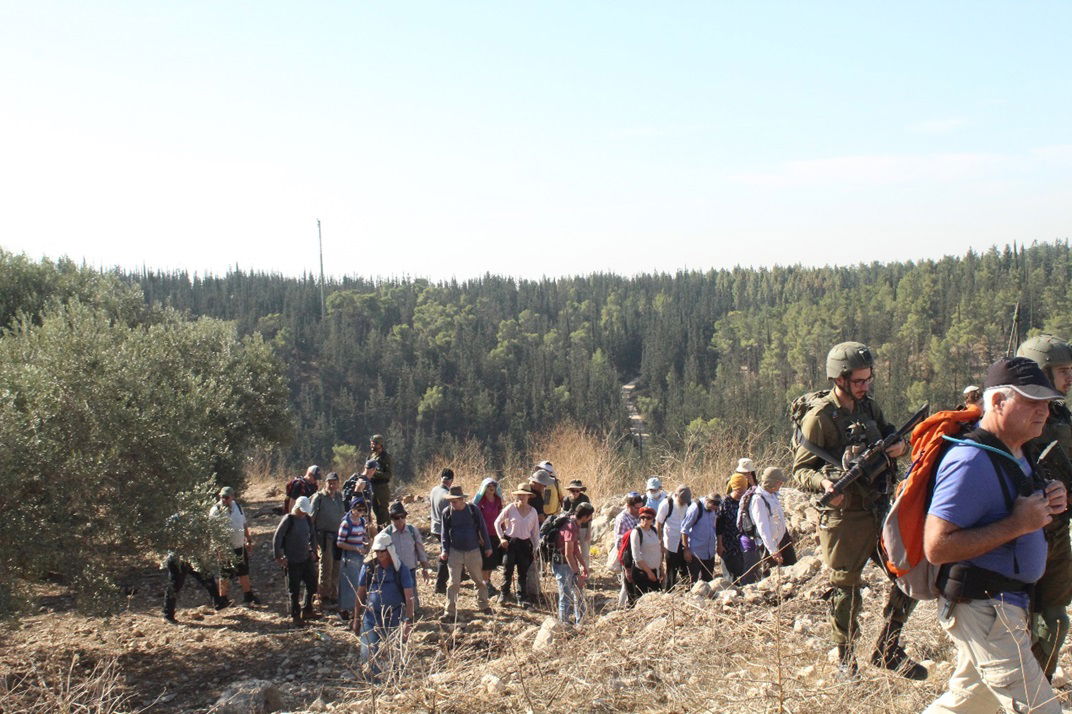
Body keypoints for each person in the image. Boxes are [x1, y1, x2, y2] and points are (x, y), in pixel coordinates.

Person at [922, 357, 1067, 714]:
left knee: (966, 705)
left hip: (1005, 607)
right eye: (1032, 402)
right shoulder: (969, 460)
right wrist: (1018, 524)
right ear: (999, 402)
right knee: (1042, 710)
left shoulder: (1018, 452)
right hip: (985, 608)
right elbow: (936, 547)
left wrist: (1050, 497)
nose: (1043, 412)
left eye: (1047, 403)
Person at [792, 341, 924, 680]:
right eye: (859, 381)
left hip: (879, 508)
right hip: (844, 516)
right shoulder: (820, 417)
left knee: (909, 575)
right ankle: (845, 661)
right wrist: (824, 485)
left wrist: (899, 447)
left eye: (868, 379)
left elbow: (894, 437)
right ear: (840, 379)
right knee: (845, 589)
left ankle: (888, 647)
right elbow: (800, 470)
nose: (866, 386)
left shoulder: (869, 408)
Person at [1017, 334, 1072, 679]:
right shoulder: (1010, 421)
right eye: (1063, 370)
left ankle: (1039, 694)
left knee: (1055, 620)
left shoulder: (1060, 415)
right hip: (1021, 538)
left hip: (1058, 534)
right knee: (1015, 627)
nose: (1069, 378)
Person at [356, 531, 415, 679]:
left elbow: (409, 597)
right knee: (367, 651)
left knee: (396, 651)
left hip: (394, 616)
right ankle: (372, 682)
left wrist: (408, 620)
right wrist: (356, 618)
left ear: (389, 550)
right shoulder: (369, 568)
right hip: (371, 616)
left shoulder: (401, 569)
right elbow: (361, 592)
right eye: (377, 551)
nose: (379, 554)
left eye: (382, 551)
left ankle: (396, 680)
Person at [439, 485, 493, 621]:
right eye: (450, 501)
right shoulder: (447, 512)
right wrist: (444, 550)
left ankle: (484, 605)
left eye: (454, 501)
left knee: (479, 580)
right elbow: (444, 533)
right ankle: (449, 611)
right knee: (453, 583)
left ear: (462, 499)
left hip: (473, 550)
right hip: (455, 551)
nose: (452, 504)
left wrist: (488, 546)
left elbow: (482, 528)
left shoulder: (473, 510)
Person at [209, 486, 259, 607]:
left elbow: (243, 524)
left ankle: (248, 596)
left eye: (226, 497)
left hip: (239, 546)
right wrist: (219, 549)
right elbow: (213, 531)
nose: (224, 499)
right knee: (224, 574)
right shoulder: (215, 510)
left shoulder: (238, 507)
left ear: (232, 497)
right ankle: (223, 599)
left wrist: (248, 539)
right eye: (222, 497)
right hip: (225, 548)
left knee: (243, 571)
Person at [273, 496, 319, 626]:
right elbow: (277, 537)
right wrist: (279, 556)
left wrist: (314, 551)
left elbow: (312, 535)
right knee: (294, 590)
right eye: (302, 510)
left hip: (306, 557)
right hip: (292, 560)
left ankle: (307, 609)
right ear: (297, 507)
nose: (304, 513)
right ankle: (295, 615)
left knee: (312, 584)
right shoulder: (289, 519)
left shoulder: (308, 519)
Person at [494, 484, 540, 607]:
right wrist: (501, 538)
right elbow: (497, 522)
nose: (521, 497)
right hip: (510, 543)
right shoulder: (511, 508)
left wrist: (536, 548)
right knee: (507, 568)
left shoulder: (533, 512)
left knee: (523, 571)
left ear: (529, 496)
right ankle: (504, 594)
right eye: (519, 494)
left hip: (525, 544)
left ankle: (521, 596)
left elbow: (535, 532)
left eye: (524, 495)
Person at [550, 502, 594, 625]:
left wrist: (584, 566)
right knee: (566, 596)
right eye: (590, 516)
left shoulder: (575, 524)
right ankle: (563, 625)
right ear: (585, 516)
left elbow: (575, 549)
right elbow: (568, 554)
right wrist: (577, 574)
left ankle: (580, 622)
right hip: (562, 565)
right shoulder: (570, 527)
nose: (590, 518)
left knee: (579, 592)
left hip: (569, 564)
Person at [384, 501, 431, 612]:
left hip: (410, 569)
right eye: (396, 517)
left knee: (412, 598)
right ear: (391, 518)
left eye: (402, 516)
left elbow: (420, 550)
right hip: (394, 570)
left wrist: (425, 567)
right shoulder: (386, 533)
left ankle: (412, 614)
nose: (400, 520)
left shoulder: (412, 530)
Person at [750, 467, 795, 574]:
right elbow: (763, 527)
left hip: (782, 539)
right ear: (772, 483)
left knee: (792, 568)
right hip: (770, 544)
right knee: (771, 575)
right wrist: (773, 551)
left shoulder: (773, 495)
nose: (781, 485)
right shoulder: (758, 499)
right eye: (779, 482)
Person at [718, 474, 761, 585]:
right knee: (730, 578)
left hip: (743, 546)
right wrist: (719, 545)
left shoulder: (746, 501)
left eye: (743, 490)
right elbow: (719, 527)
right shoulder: (724, 504)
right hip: (728, 545)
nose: (741, 493)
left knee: (744, 574)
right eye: (739, 490)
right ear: (733, 487)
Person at [310, 473, 346, 607]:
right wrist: (312, 540)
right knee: (326, 565)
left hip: (338, 536)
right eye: (329, 482)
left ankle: (333, 594)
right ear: (325, 483)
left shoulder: (339, 497)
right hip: (324, 536)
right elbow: (311, 519)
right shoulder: (319, 498)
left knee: (337, 565)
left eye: (334, 482)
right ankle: (322, 595)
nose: (332, 485)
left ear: (338, 483)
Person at [337, 498, 372, 623]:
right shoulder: (346, 523)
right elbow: (340, 542)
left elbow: (362, 535)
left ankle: (355, 611)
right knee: (348, 585)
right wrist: (356, 548)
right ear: (352, 509)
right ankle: (344, 610)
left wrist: (365, 542)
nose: (360, 513)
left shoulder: (362, 521)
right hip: (349, 556)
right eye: (358, 510)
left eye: (362, 510)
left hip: (359, 556)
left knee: (359, 584)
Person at [163, 553, 226, 623]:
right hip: (177, 560)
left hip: (193, 557)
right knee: (174, 587)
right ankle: (168, 615)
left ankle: (218, 603)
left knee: (208, 578)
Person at [473, 477, 504, 597]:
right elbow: (476, 521)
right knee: (485, 561)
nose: (492, 488)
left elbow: (501, 517)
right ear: (484, 488)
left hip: (495, 534)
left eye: (493, 486)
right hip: (483, 536)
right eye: (489, 486)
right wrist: (479, 536)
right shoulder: (480, 502)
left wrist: (503, 532)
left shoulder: (497, 500)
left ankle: (488, 581)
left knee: (492, 561)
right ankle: (483, 585)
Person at [655, 485, 691, 590]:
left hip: (684, 541)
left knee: (685, 568)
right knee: (671, 570)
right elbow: (658, 523)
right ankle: (668, 591)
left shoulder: (688, 504)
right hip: (670, 542)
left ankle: (687, 591)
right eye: (682, 499)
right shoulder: (666, 504)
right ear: (676, 495)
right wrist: (660, 541)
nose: (683, 502)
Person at [612, 492, 644, 606]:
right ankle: (620, 608)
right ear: (629, 506)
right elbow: (620, 544)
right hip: (627, 556)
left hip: (639, 554)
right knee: (626, 585)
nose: (639, 510)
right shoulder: (622, 519)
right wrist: (626, 565)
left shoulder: (640, 515)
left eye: (641, 507)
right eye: (637, 508)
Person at [680, 492, 718, 583]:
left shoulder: (715, 509)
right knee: (692, 582)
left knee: (708, 581)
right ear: (708, 501)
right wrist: (686, 549)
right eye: (712, 506)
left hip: (709, 552)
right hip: (695, 553)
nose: (714, 509)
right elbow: (684, 529)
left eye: (715, 507)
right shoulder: (696, 508)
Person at [429, 468, 454, 595]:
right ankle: (440, 585)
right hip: (443, 529)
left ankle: (461, 573)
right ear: (451, 480)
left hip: (434, 526)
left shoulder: (434, 490)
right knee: (445, 555)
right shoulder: (448, 495)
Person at [630, 507, 662, 594]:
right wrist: (649, 572)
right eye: (642, 517)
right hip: (642, 573)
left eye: (648, 518)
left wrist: (661, 570)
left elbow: (658, 550)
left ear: (652, 519)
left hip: (655, 571)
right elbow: (636, 556)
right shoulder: (637, 532)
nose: (645, 520)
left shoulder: (654, 530)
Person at [369, 434, 393, 528]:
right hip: (372, 487)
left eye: (374, 444)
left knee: (382, 510)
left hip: (381, 488)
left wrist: (375, 473)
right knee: (375, 509)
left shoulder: (385, 457)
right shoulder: (372, 456)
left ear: (380, 445)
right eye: (371, 444)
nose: (372, 446)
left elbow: (388, 474)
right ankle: (380, 529)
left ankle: (387, 530)